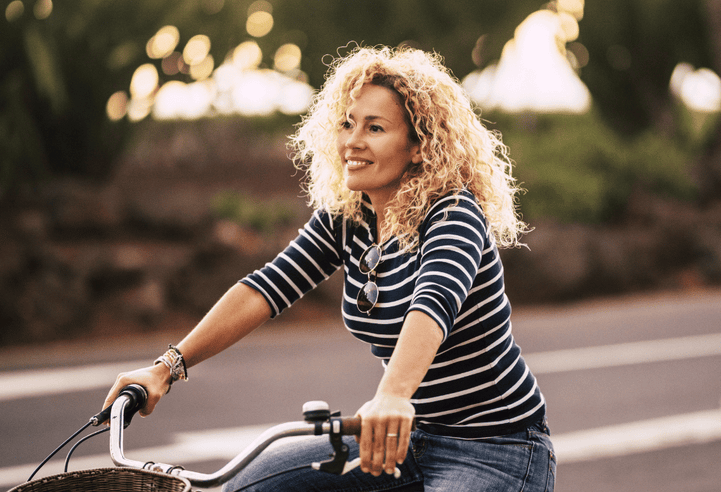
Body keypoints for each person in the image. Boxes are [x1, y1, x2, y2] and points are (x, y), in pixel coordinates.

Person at [103, 45, 556, 492]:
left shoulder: (453, 213)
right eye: (347, 123)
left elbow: (433, 302)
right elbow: (268, 287)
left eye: (375, 128)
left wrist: (393, 396)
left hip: (496, 446)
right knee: (246, 487)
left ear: (419, 147)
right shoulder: (349, 218)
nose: (352, 141)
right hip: (403, 437)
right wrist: (167, 366)